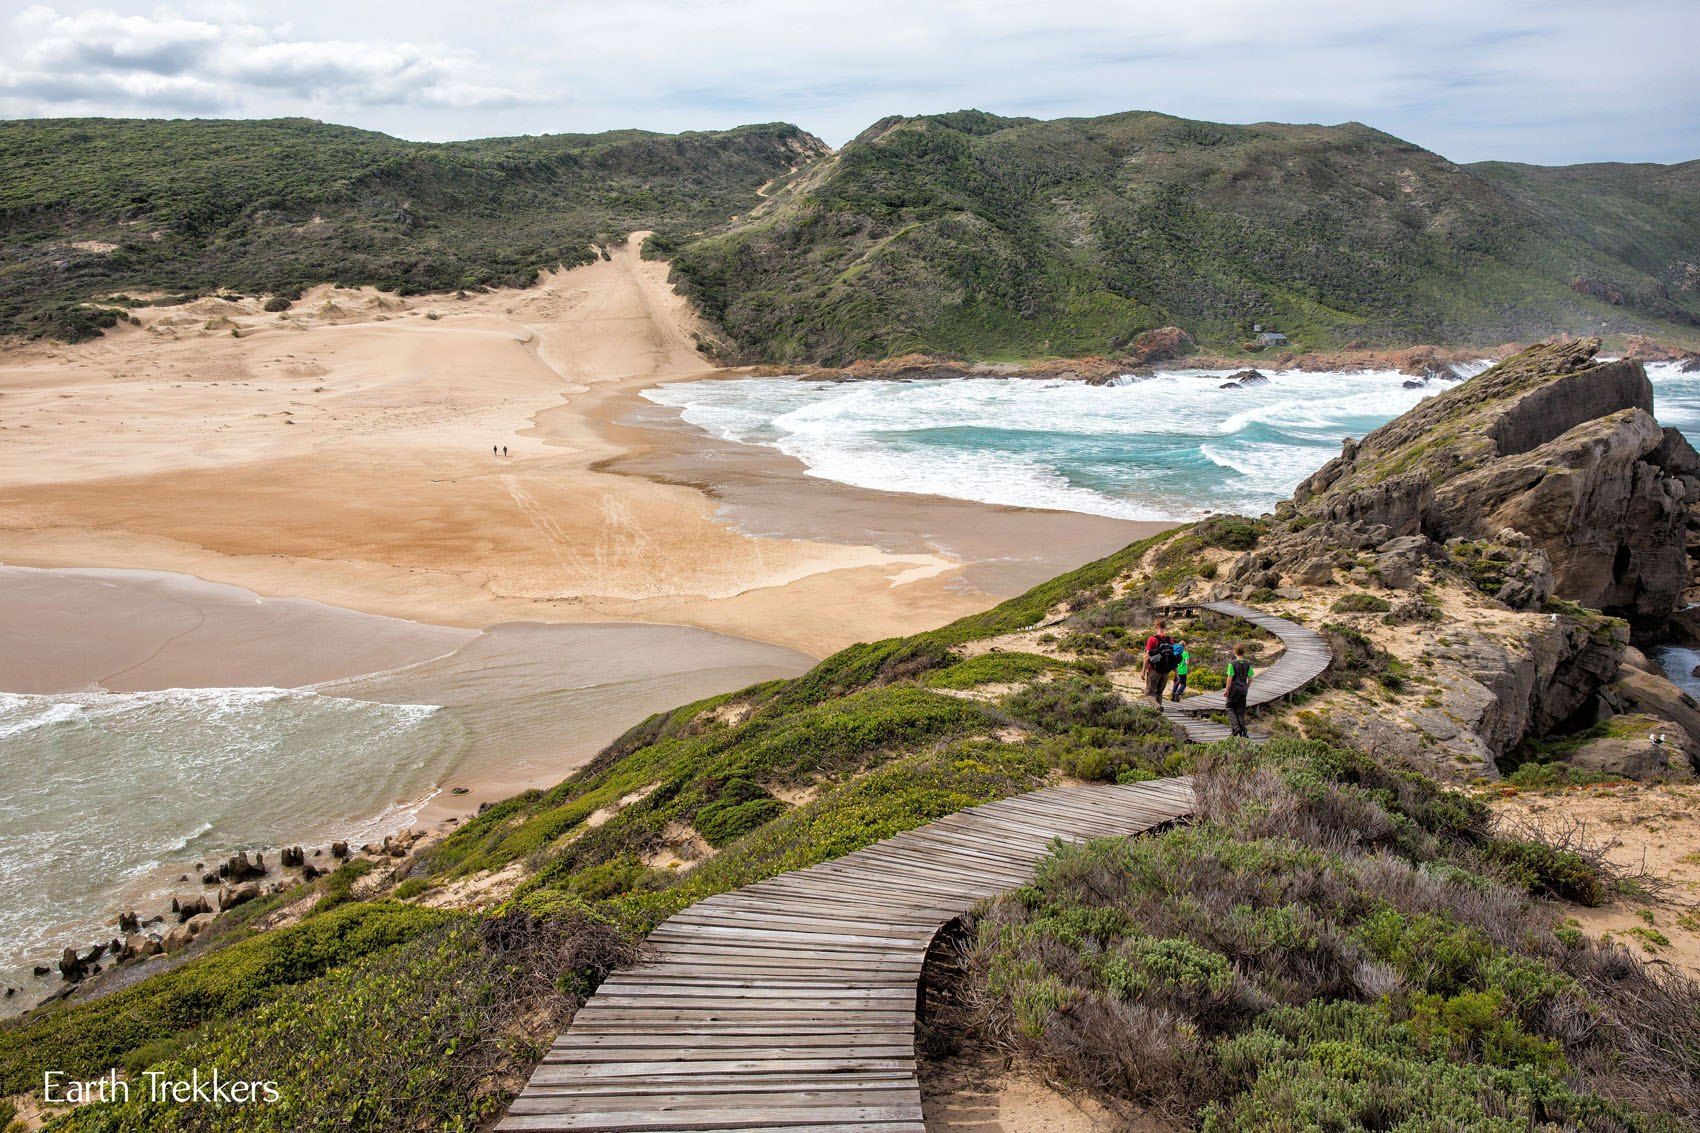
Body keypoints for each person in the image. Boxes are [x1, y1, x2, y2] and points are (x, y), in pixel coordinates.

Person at [1225, 643, 1254, 738]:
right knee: (1240, 711)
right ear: (1244, 652)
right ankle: (1243, 732)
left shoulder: (1232, 664)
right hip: (1243, 689)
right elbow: (1250, 678)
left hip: (1234, 689)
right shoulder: (1248, 664)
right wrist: (1247, 687)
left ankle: (1235, 727)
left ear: (1234, 652)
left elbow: (1229, 678)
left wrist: (1226, 690)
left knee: (1230, 707)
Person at [1142, 619, 1175, 704]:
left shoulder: (1152, 639)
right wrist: (1176, 672)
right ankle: (1158, 714)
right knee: (1159, 693)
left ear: (1156, 626)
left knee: (1149, 693)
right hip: (1165, 673)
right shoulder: (1169, 640)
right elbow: (1173, 657)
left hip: (1154, 670)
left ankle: (1157, 707)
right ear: (1165, 627)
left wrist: (1143, 671)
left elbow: (1147, 657)